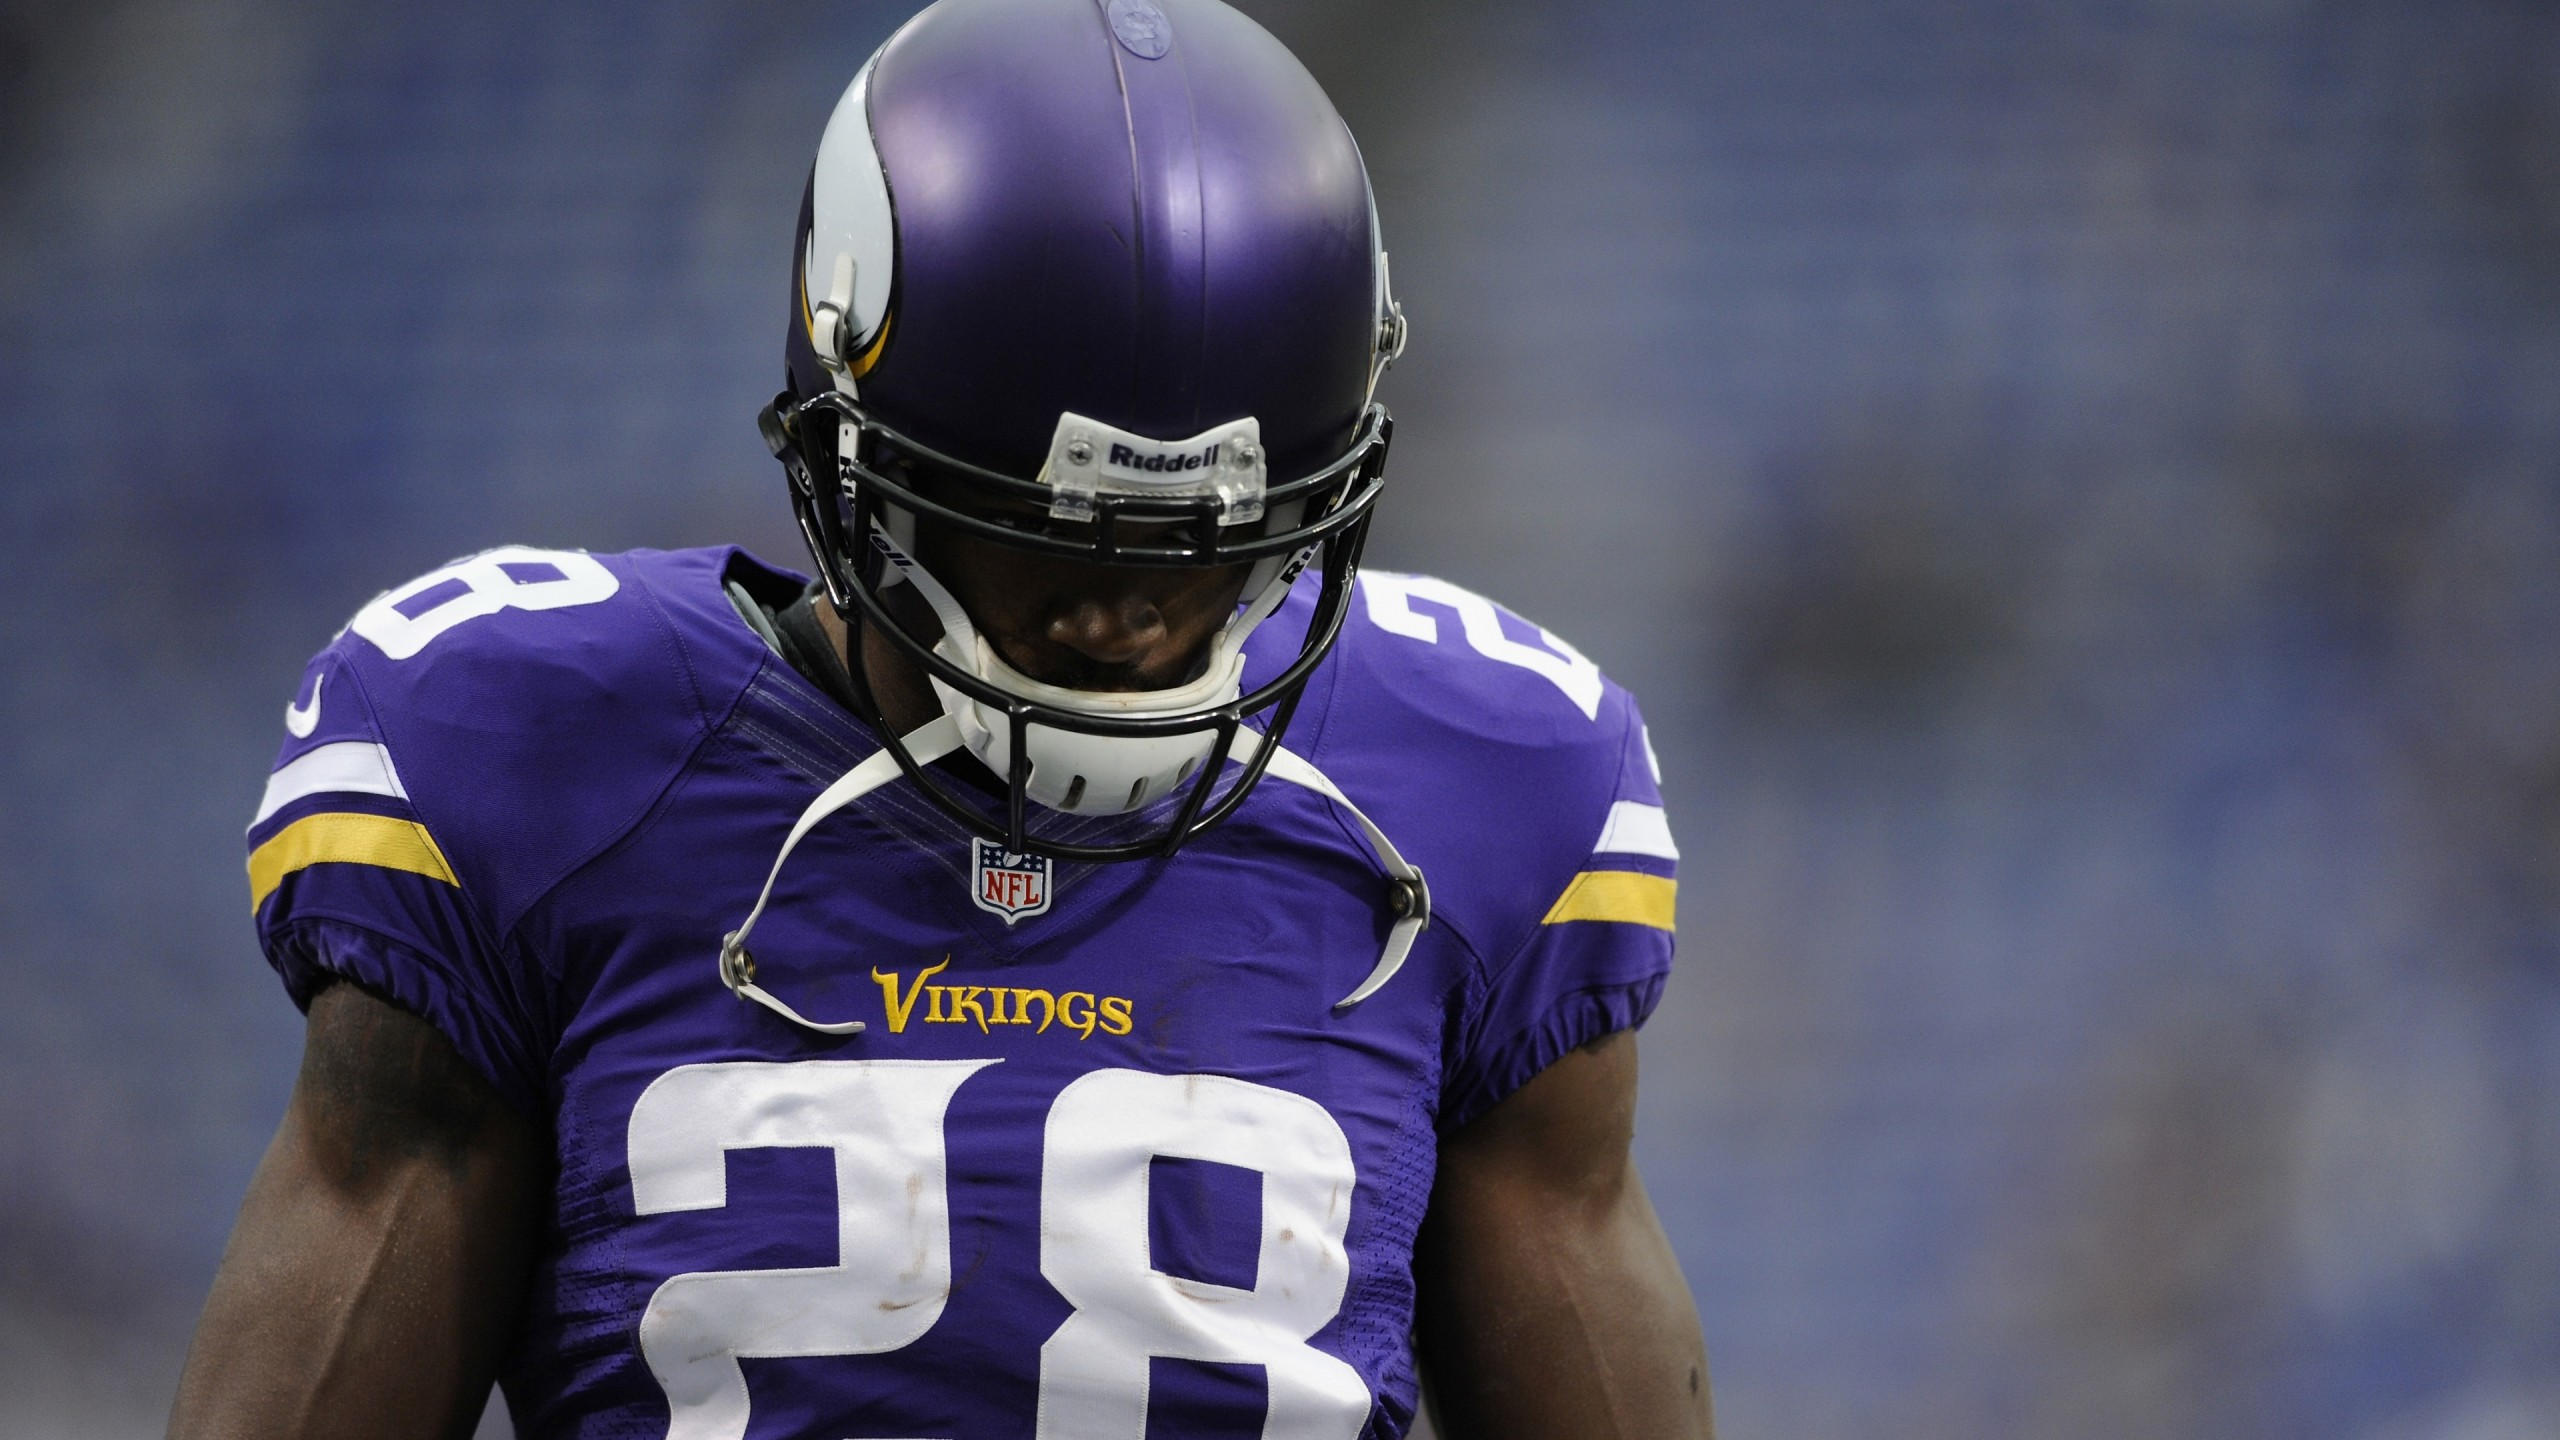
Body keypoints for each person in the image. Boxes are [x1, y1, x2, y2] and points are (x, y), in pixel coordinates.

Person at [168, 0, 1713, 1435]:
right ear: (845, 449)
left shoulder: (1491, 788)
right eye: (1039, 537)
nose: (1125, 617)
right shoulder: (531, 742)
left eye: (1199, 547)